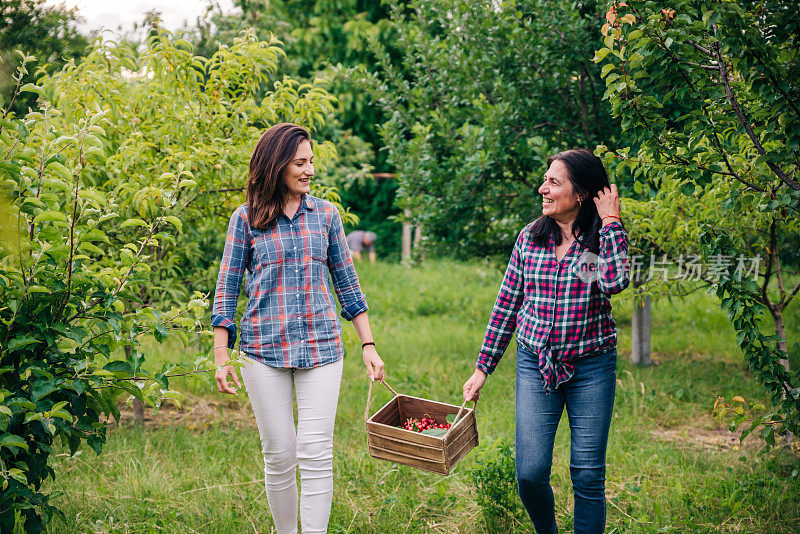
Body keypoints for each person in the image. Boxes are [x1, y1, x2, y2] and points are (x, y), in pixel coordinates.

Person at [211, 123, 385, 534]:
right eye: (299, 163)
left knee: (316, 452)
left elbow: (348, 283)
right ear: (277, 165)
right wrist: (221, 357)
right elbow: (226, 287)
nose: (309, 171)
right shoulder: (246, 218)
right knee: (279, 454)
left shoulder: (326, 215)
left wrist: (368, 344)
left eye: (311, 162)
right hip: (261, 352)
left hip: (320, 348)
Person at [462, 149, 629, 534]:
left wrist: (612, 221)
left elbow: (614, 282)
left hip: (592, 366)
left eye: (554, 182)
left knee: (587, 475)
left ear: (582, 193)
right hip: (536, 363)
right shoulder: (531, 238)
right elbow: (507, 305)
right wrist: (482, 369)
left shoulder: (597, 241)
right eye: (545, 180)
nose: (543, 188)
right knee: (531, 472)